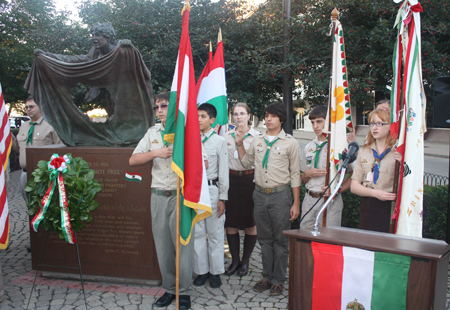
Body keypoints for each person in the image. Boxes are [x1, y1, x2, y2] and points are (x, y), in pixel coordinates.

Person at [129, 92, 193, 309]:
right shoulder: (152, 133)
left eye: (163, 106)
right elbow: (133, 159)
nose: (159, 111)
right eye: (156, 107)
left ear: (173, 108)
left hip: (180, 196)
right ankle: (169, 289)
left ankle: (184, 292)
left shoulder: (185, 132)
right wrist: (155, 152)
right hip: (158, 195)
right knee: (163, 247)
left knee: (182, 246)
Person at [235, 101, 301, 296]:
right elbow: (246, 162)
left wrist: (296, 203)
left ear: (281, 118)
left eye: (272, 116)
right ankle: (267, 276)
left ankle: (279, 280)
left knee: (280, 240)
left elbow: (295, 174)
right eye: (266, 115)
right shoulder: (258, 140)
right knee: (264, 239)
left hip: (280, 196)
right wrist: (239, 143)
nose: (268, 119)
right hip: (260, 194)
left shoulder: (290, 142)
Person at [193, 103, 229, 288]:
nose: (199, 119)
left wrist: (222, 198)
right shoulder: (190, 139)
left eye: (203, 116)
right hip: (195, 191)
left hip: (212, 189)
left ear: (212, 120)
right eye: (197, 116)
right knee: (197, 232)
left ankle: (215, 272)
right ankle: (201, 271)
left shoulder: (219, 141)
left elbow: (223, 171)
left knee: (214, 233)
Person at [300, 105, 352, 229]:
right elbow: (302, 178)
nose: (315, 126)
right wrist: (307, 174)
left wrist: (337, 190)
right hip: (310, 198)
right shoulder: (308, 147)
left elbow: (355, 175)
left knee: (328, 239)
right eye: (312, 123)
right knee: (305, 236)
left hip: (330, 200)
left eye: (319, 122)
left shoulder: (340, 147)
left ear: (328, 122)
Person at [223, 103, 260, 277]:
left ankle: (245, 261)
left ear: (248, 116)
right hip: (231, 179)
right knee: (231, 222)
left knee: (249, 223)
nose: (238, 117)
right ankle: (235, 260)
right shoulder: (226, 136)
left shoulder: (257, 137)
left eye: (242, 113)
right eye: (235, 114)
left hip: (250, 180)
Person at [350, 108, 401, 232]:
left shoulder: (397, 153)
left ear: (390, 126)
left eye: (380, 124)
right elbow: (354, 186)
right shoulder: (364, 152)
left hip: (389, 208)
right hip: (368, 205)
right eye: (372, 124)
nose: (375, 128)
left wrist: (403, 162)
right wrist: (376, 193)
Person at [12, 96, 61, 201]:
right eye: (26, 107)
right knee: (29, 205)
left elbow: (60, 150)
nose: (28, 109)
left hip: (44, 175)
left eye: (31, 107)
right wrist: (6, 135)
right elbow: (18, 148)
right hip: (25, 174)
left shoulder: (51, 126)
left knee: (46, 205)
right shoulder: (24, 126)